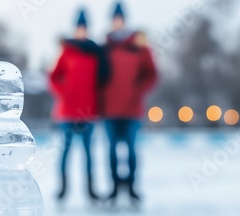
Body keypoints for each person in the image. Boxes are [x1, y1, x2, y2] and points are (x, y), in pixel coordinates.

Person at [49, 9, 109, 203]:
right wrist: (64, 92)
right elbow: (53, 77)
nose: (81, 31)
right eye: (79, 27)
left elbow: (102, 80)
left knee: (88, 153)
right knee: (65, 153)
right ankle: (63, 190)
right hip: (68, 112)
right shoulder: (67, 50)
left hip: (88, 111)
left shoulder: (95, 52)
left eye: (84, 27)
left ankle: (91, 190)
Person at [102, 3, 158, 204]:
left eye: (120, 19)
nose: (117, 22)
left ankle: (133, 187)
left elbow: (151, 74)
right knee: (112, 150)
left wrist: (138, 91)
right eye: (114, 19)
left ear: (124, 20)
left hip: (132, 108)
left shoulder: (139, 46)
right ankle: (115, 187)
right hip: (109, 109)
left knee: (132, 149)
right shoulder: (105, 47)